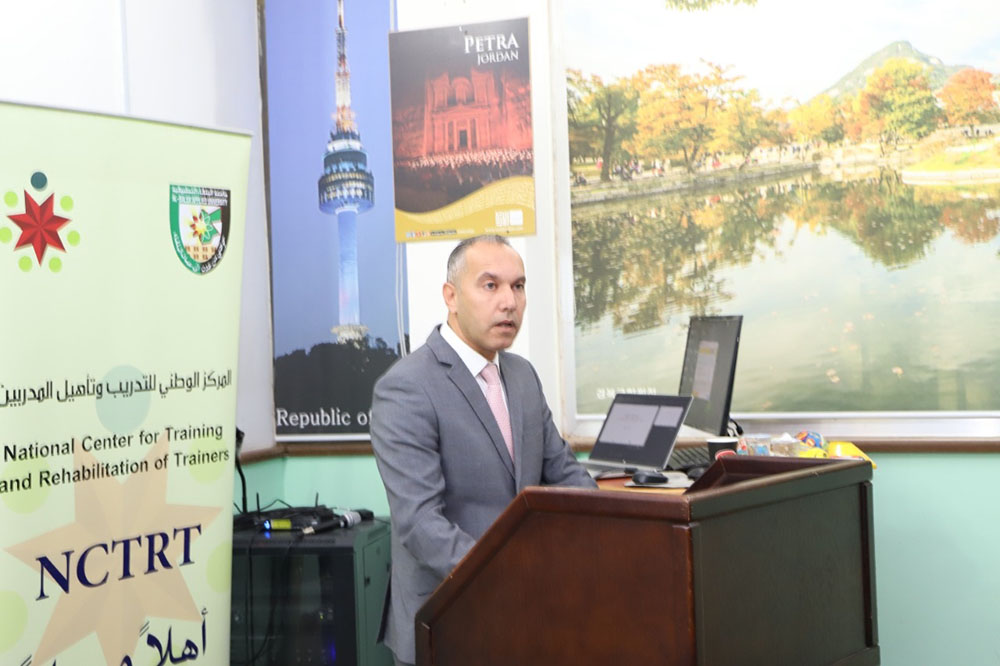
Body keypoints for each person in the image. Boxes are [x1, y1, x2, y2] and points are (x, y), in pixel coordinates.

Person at [371, 234, 597, 666]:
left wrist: (608, 533)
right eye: (490, 285)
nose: (509, 302)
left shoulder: (523, 375)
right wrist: (512, 577)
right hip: (448, 619)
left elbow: (564, 473)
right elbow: (420, 523)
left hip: (525, 614)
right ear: (451, 296)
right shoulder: (406, 387)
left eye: (518, 286)